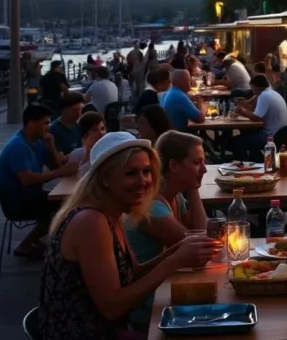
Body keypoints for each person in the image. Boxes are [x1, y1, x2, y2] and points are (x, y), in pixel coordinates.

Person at [39, 132, 219, 340]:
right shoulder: (91, 222)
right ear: (105, 178)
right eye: (131, 173)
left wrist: (176, 251)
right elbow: (112, 307)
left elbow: (134, 273)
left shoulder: (112, 215)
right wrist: (174, 261)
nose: (142, 181)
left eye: (146, 171)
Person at [124, 131, 209, 327]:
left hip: (164, 291)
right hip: (146, 307)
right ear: (174, 165)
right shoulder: (152, 207)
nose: (204, 169)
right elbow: (198, 249)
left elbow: (197, 231)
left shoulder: (175, 196)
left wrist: (193, 186)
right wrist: (194, 186)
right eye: (197, 162)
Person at [0, 103, 78, 258]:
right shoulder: (18, 146)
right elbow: (27, 179)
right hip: (18, 201)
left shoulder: (38, 143)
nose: (49, 127)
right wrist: (60, 171)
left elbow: (56, 166)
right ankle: (25, 245)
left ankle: (42, 240)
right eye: (45, 123)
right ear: (32, 123)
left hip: (31, 195)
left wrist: (52, 146)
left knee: (69, 202)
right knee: (66, 206)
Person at [232, 75, 287, 162]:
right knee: (246, 134)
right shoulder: (272, 93)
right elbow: (258, 112)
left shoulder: (264, 96)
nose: (253, 91)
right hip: (281, 134)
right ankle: (256, 160)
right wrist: (246, 106)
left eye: (253, 88)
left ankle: (243, 165)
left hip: (270, 136)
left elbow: (257, 118)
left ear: (257, 87)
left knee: (237, 142)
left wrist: (241, 111)